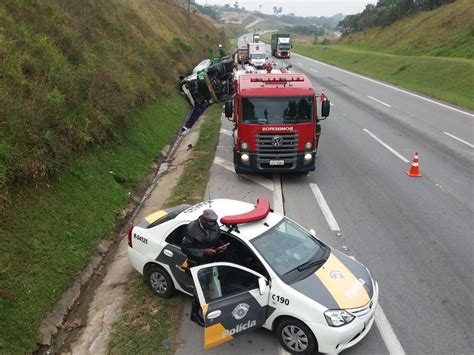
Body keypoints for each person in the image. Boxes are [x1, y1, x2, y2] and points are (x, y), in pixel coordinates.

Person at [181, 209, 229, 326]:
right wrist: (203, 252)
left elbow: (216, 238)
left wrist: (220, 246)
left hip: (211, 260)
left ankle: (211, 308)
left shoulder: (213, 224)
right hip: (197, 263)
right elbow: (185, 248)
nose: (213, 225)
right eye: (210, 222)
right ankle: (194, 314)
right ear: (202, 219)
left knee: (209, 286)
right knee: (200, 289)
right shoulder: (191, 229)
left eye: (214, 222)